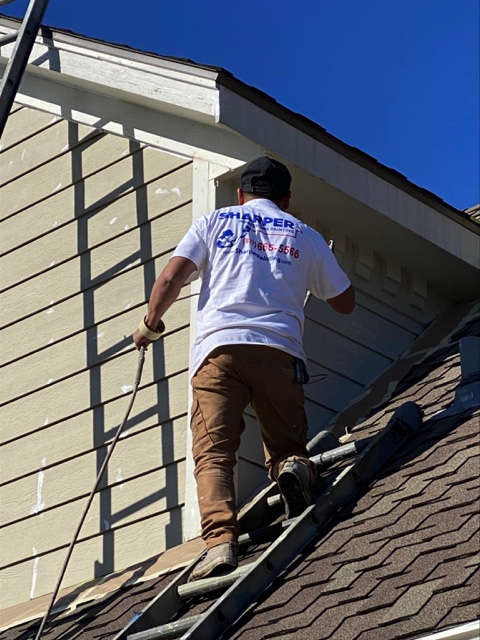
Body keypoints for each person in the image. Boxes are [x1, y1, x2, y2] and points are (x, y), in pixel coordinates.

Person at [133, 156, 355, 582]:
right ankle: (293, 469)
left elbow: (170, 279)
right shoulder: (304, 236)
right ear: (286, 200)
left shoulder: (214, 222)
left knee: (214, 452)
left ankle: (219, 543)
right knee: (288, 446)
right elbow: (346, 303)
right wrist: (311, 269)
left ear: (241, 194)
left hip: (219, 351)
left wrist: (150, 325)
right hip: (279, 351)